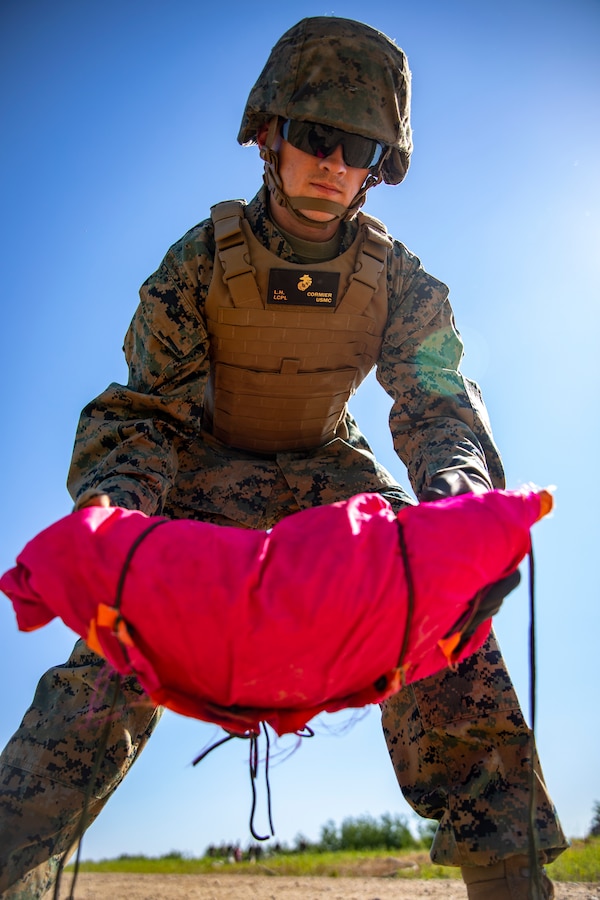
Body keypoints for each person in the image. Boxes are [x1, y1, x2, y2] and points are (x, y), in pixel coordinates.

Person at [0, 16, 567, 899]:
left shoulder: (400, 282)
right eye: (316, 135)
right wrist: (114, 516)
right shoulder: (197, 265)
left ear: (383, 165)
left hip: (326, 471)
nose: (334, 164)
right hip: (200, 465)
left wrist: (459, 498)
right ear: (269, 133)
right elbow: (144, 414)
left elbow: (438, 404)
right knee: (115, 648)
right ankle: (12, 861)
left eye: (360, 146)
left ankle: (508, 874)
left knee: (445, 619)